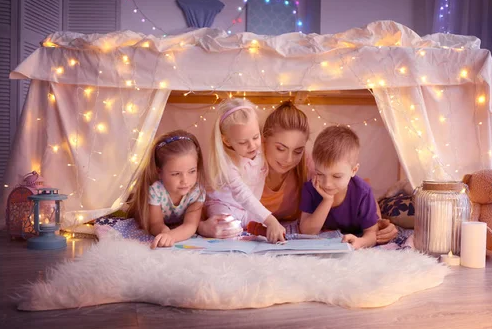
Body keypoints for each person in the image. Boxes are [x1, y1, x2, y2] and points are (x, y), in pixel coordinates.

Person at [199, 101, 397, 243]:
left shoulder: (307, 165)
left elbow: (347, 182)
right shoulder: (247, 162)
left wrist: (378, 223)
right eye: (280, 148)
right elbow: (213, 196)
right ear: (264, 140)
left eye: (297, 151)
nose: (288, 159)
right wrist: (201, 226)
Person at [205, 98, 285, 243]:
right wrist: (270, 220)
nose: (252, 145)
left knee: (261, 219)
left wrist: (270, 221)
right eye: (243, 142)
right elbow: (244, 195)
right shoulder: (228, 164)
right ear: (227, 141)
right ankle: (201, 226)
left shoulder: (261, 151)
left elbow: (251, 202)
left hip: (245, 209)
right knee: (228, 227)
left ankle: (250, 226)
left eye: (255, 137)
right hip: (224, 206)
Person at [300, 126, 378, 248]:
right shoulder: (310, 188)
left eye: (336, 176)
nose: (327, 184)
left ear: (354, 170)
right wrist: (327, 200)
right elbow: (307, 231)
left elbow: (372, 232)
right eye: (320, 174)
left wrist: (360, 242)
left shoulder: (362, 192)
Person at [127, 130, 206, 248]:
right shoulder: (156, 191)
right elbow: (155, 224)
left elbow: (190, 225)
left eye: (192, 171)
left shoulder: (196, 192)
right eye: (175, 174)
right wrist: (164, 232)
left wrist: (171, 236)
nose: (185, 180)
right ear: (159, 172)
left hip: (176, 228)